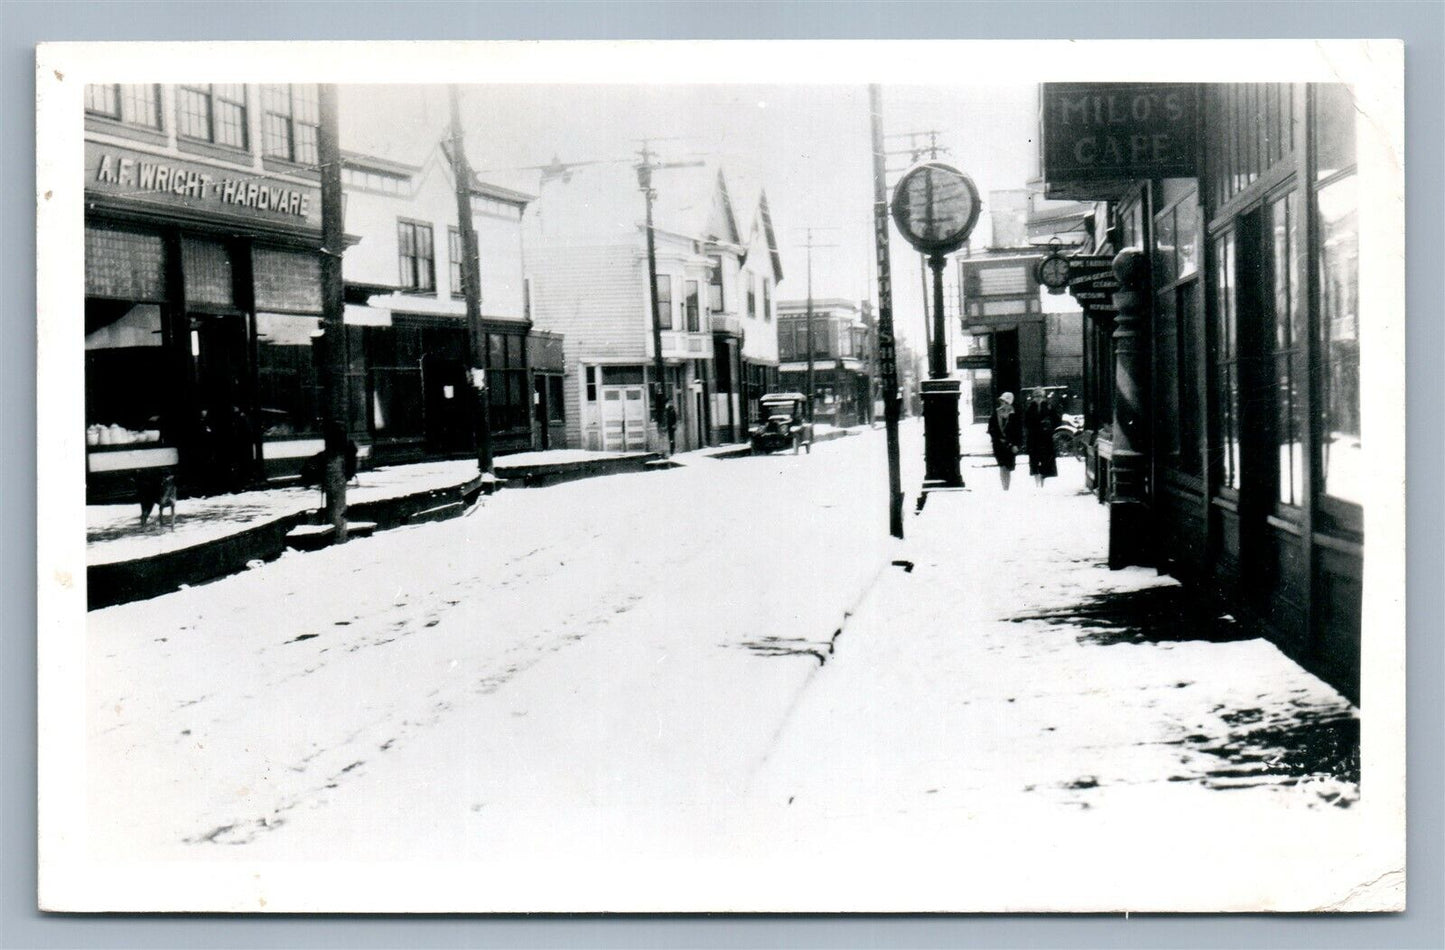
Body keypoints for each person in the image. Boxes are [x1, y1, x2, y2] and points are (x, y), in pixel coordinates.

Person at [1025, 388, 1062, 488]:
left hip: (1046, 438)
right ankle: (1037, 483)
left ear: (1043, 397)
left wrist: (1050, 427)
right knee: (1034, 461)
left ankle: (1043, 482)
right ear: (1033, 397)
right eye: (1036, 396)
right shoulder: (1029, 408)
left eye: (1040, 396)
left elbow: (1057, 420)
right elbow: (1026, 422)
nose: (1038, 398)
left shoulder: (1049, 407)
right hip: (1034, 438)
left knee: (1046, 461)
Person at [986, 392, 1022, 490]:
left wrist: (1016, 445)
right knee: (1002, 466)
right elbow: (991, 429)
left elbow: (1018, 431)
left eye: (1006, 402)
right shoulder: (995, 413)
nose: (1003, 404)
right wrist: (997, 438)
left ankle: (1007, 487)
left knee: (1008, 467)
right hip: (999, 444)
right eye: (1002, 401)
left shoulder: (1014, 414)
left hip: (1011, 445)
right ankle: (1004, 488)